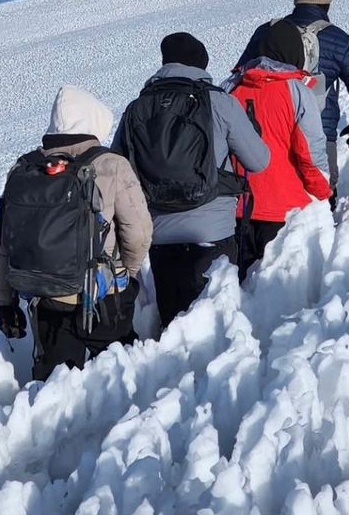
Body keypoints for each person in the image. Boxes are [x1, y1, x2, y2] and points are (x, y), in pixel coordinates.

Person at [114, 32, 270, 329]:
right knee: (215, 329)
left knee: (174, 327)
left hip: (160, 235)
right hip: (212, 231)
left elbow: (118, 169)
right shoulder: (219, 102)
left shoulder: (137, 107)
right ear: (201, 65)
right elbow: (259, 161)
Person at [0, 86, 152, 381]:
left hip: (45, 298)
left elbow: (5, 245)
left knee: (56, 383)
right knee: (121, 378)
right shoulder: (111, 165)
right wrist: (127, 274)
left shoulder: (25, 169)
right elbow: (139, 232)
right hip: (104, 298)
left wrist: (5, 302)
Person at [234, 0, 349, 199]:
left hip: (265, 135)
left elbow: (240, 76)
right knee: (321, 199)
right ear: (328, 2)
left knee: (266, 203)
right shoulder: (339, 40)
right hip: (319, 136)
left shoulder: (267, 32)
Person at [229, 20, 332, 280]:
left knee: (239, 291)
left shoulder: (232, 89)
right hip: (285, 211)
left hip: (238, 210)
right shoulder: (297, 92)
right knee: (278, 291)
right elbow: (310, 153)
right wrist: (323, 191)